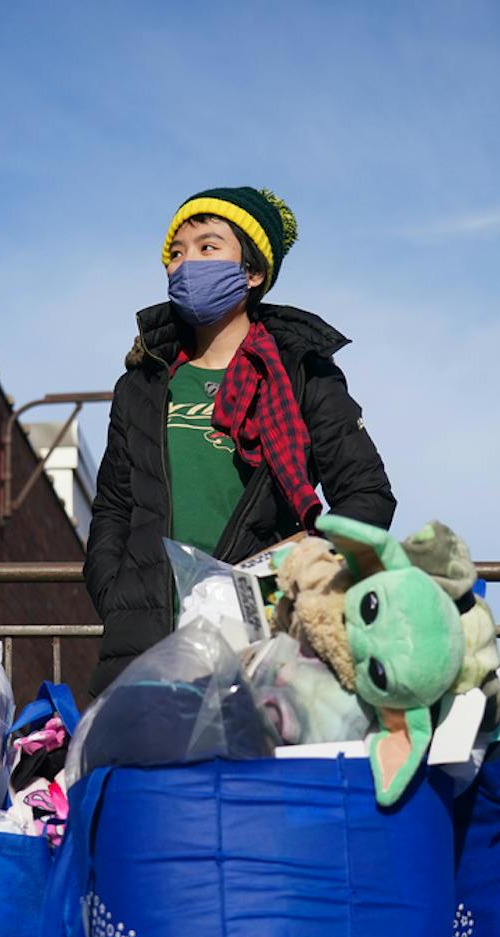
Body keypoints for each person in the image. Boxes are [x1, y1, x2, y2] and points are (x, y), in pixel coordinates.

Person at [83, 186, 396, 698]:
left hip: (260, 640)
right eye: (177, 253)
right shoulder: (141, 384)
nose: (187, 265)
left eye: (209, 248)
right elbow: (114, 507)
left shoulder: (302, 375)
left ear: (252, 274)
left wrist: (274, 577)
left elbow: (368, 500)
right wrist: (117, 594)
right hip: (145, 643)